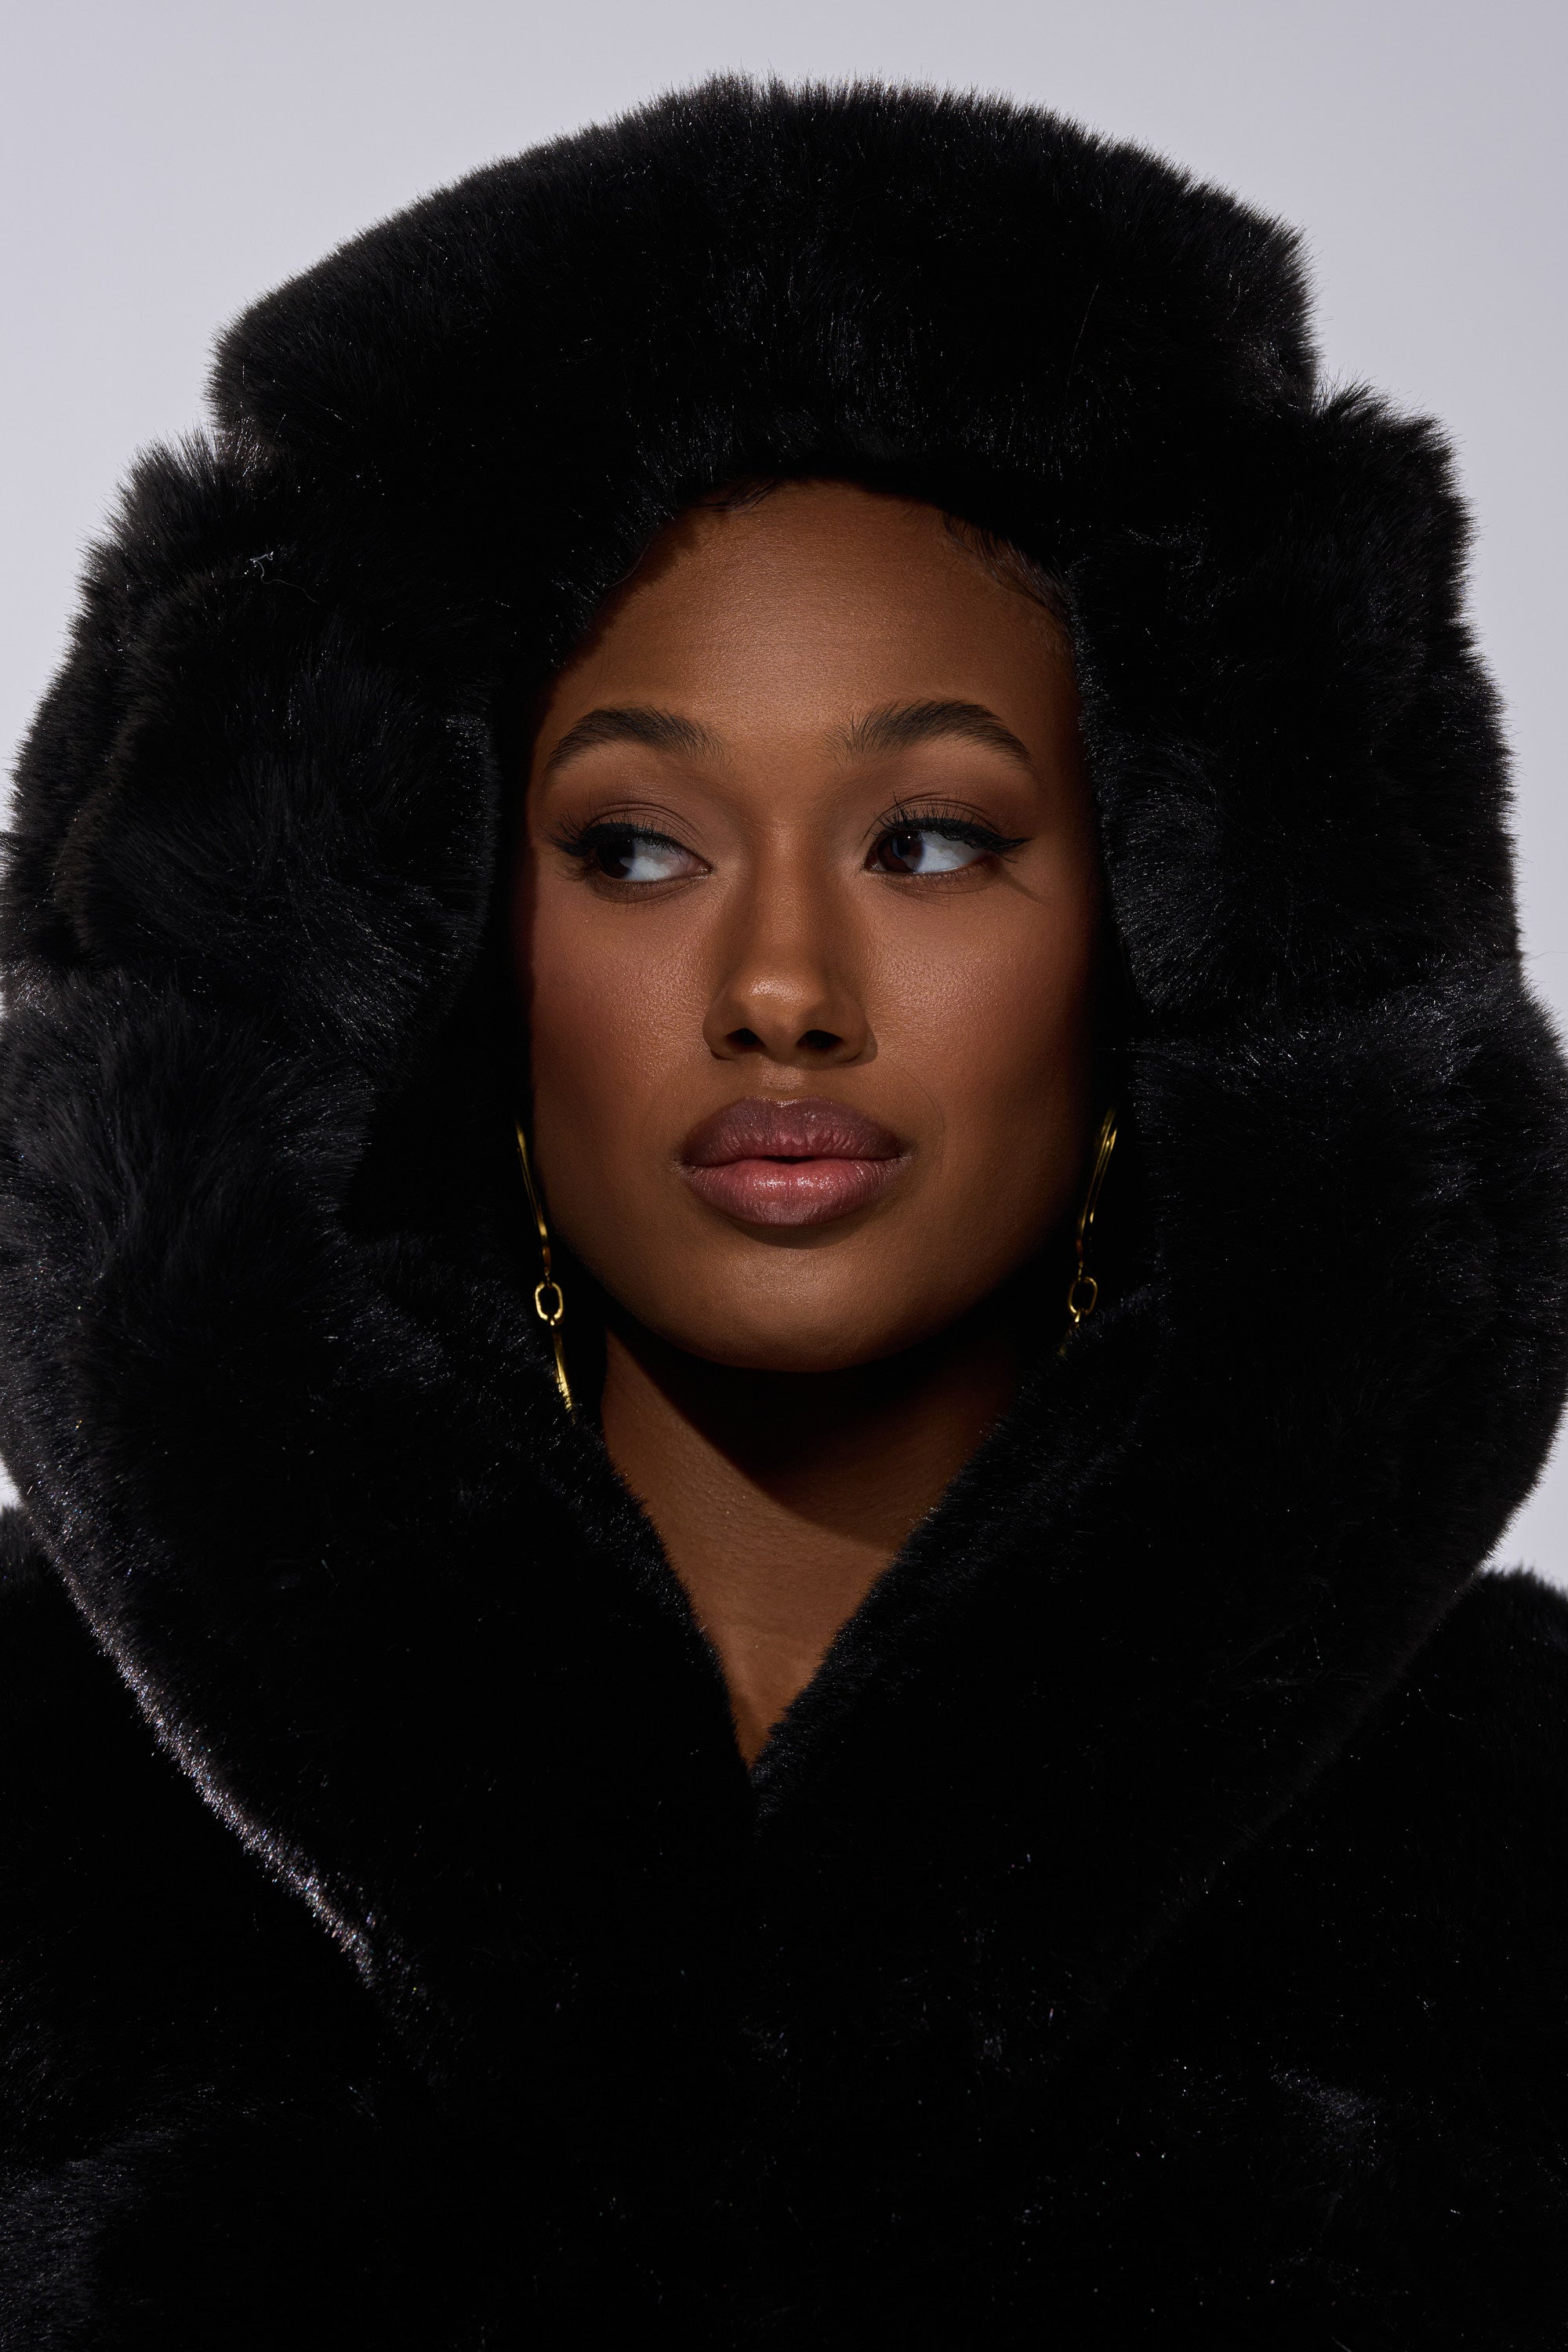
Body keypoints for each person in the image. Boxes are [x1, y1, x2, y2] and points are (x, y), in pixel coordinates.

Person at [0, 74, 1565, 2349]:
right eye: (634, 847)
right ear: (441, 925)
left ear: (1165, 917)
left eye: (932, 838)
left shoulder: (1514, 1871)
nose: (781, 993)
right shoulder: (43, 1834)